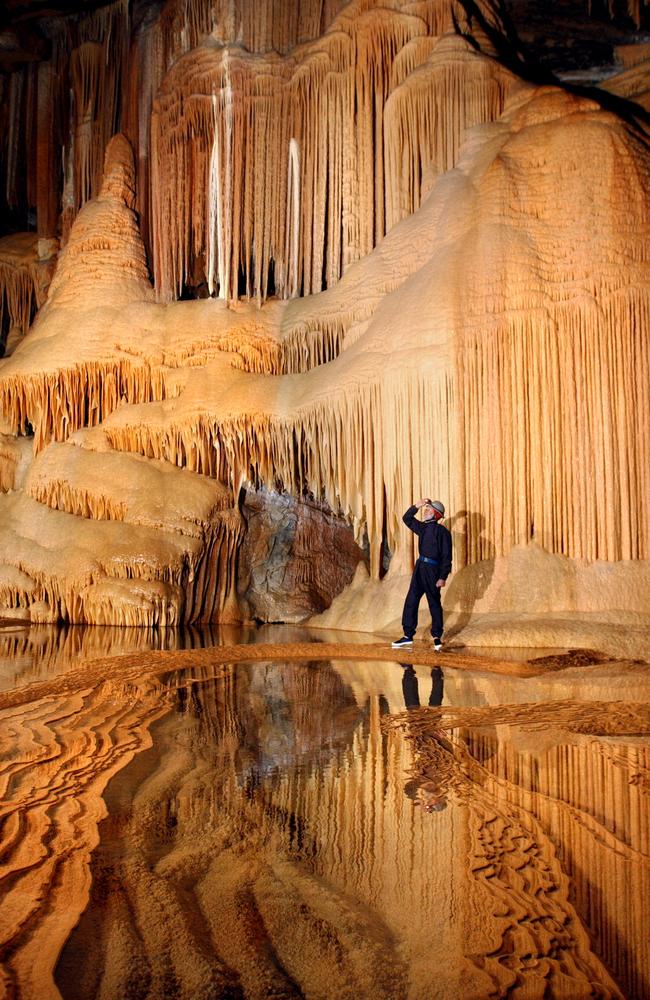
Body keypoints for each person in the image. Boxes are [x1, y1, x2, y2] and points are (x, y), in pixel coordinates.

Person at [392, 498, 452, 650]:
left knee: (434, 603)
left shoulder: (443, 533)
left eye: (429, 510)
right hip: (420, 568)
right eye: (426, 509)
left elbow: (447, 557)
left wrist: (442, 577)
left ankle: (437, 637)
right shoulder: (422, 528)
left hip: (433, 570)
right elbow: (407, 518)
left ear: (436, 515)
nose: (425, 511)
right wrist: (416, 506)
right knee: (411, 600)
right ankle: (407, 635)